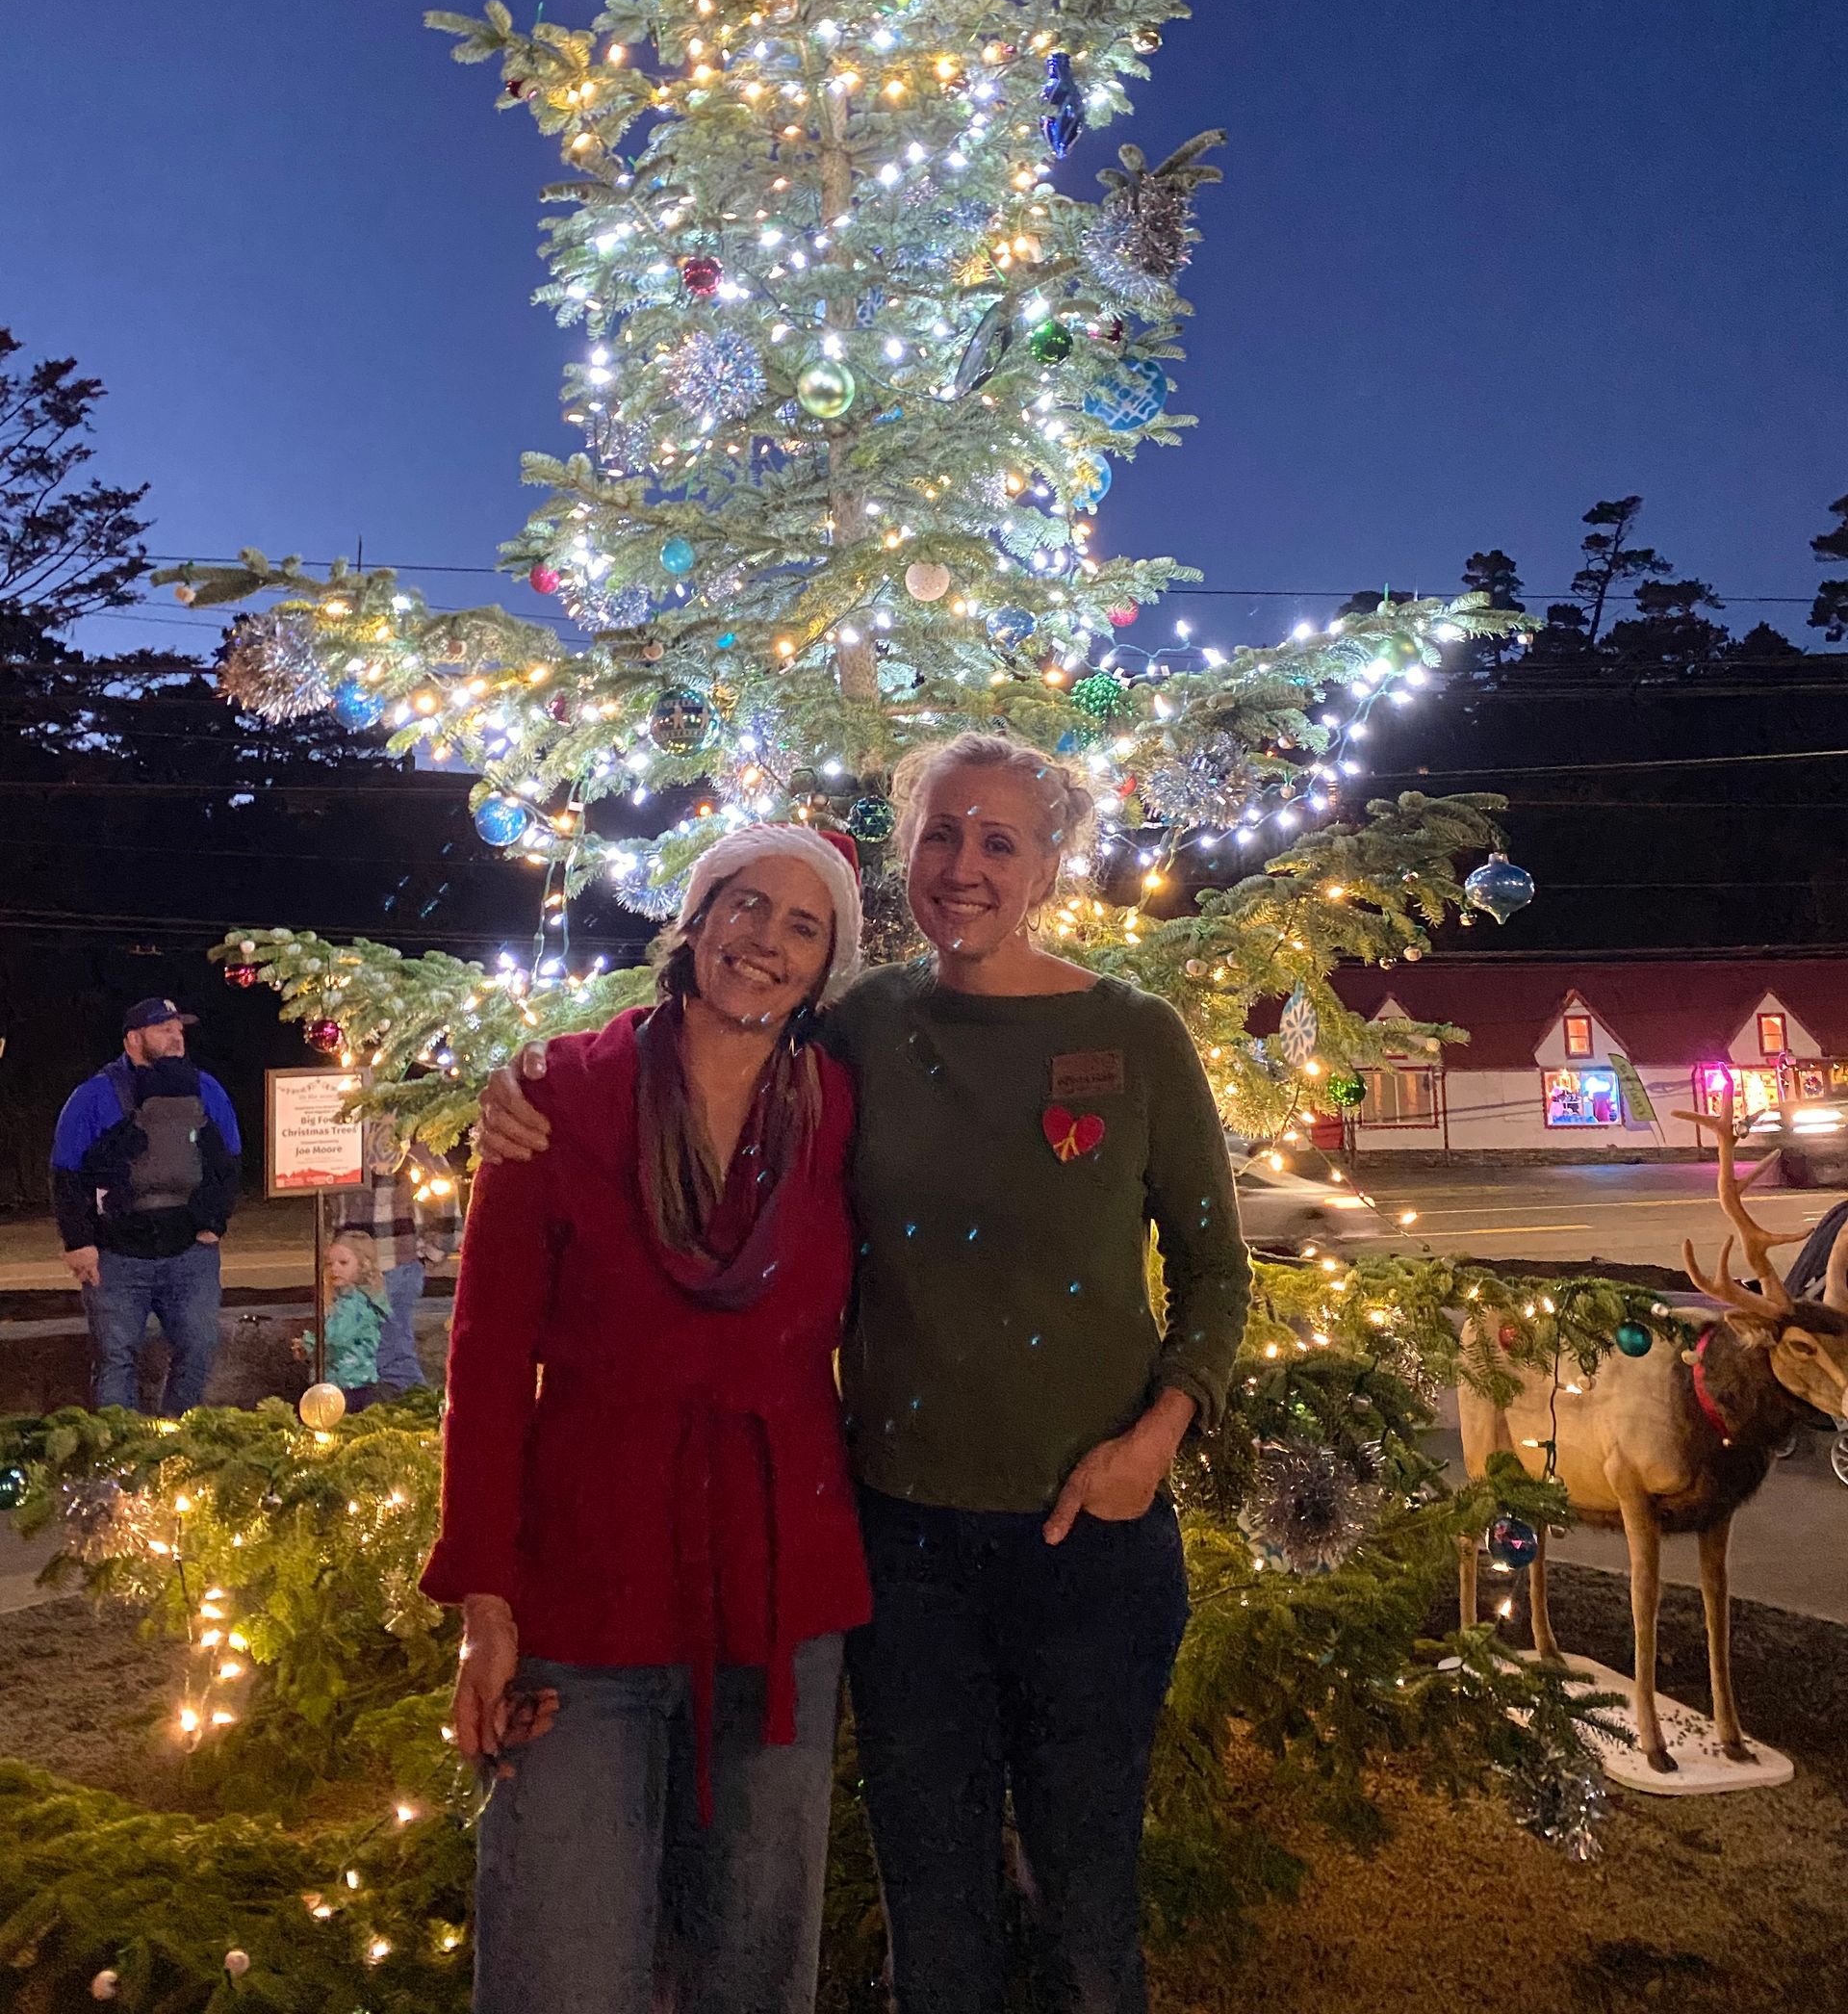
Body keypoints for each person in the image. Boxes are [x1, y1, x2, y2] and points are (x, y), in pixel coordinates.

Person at [478, 736, 1250, 2014]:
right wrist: (525, 1088)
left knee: (1089, 1915)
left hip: (1092, 1544)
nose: (963, 866)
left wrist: (1158, 1436)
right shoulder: (863, 1027)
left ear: (1050, 866)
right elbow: (697, 1034)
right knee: (933, 1923)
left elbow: (1219, 1274)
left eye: (1000, 841)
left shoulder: (1136, 1035)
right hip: (906, 1554)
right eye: (942, 834)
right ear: (907, 851)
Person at [422, 828, 872, 2014]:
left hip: (782, 1593)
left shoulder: (843, 1114)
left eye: (802, 925)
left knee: (754, 1974)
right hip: (586, 1595)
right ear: (694, 918)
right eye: (743, 904)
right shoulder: (560, 1094)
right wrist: (485, 1598)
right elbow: (486, 1352)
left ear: (827, 971)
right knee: (562, 1969)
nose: (764, 939)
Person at [50, 995, 241, 1416]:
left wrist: (213, 1223)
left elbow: (228, 1164)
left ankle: (176, 1444)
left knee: (200, 1346)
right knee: (116, 1358)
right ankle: (120, 1455)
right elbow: (66, 1175)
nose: (176, 1036)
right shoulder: (95, 1095)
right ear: (133, 1039)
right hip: (117, 1257)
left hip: (190, 1253)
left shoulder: (206, 1089)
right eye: (164, 1029)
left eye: (179, 1029)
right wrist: (79, 1242)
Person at [332, 1133, 462, 1392]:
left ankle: (413, 1410)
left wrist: (430, 1252)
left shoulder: (412, 1150)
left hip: (394, 1266)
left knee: (391, 1353)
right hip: (351, 1269)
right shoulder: (342, 1143)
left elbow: (445, 1202)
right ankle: (370, 1415)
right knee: (355, 1354)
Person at [297, 1229, 394, 1410]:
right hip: (347, 1381)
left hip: (348, 1383)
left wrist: (309, 1343)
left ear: (362, 1265)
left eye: (343, 1263)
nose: (334, 1268)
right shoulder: (344, 1301)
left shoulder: (355, 1304)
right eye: (329, 1264)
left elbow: (337, 1339)